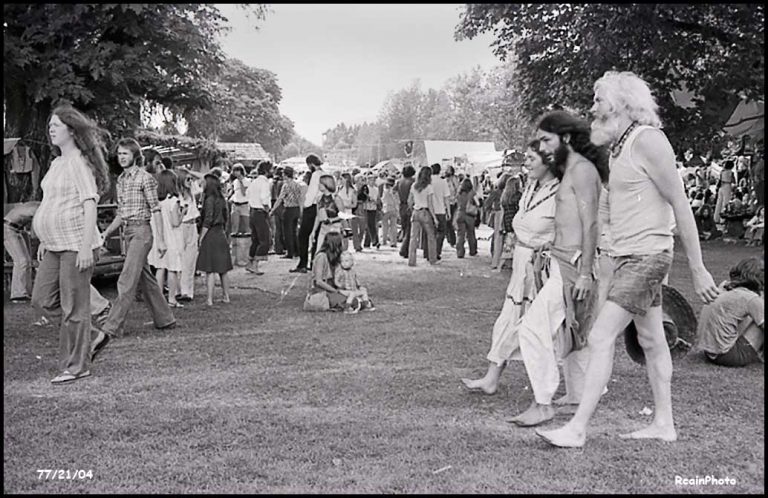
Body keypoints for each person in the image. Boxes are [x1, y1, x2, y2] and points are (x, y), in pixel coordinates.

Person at [537, 70, 720, 448]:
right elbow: (610, 212)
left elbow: (680, 203)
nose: (592, 107)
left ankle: (577, 428)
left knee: (602, 336)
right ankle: (663, 424)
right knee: (653, 340)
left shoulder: (648, 140)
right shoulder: (619, 148)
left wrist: (698, 268)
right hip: (627, 257)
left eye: (598, 99)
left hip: (647, 258)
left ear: (621, 105)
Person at [506, 111, 606, 427]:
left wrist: (587, 272)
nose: (544, 147)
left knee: (533, 328)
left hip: (574, 266)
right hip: (564, 261)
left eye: (547, 140)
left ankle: (543, 402)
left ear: (564, 138)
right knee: (573, 331)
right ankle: (576, 394)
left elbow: (591, 224)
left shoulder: (582, 170)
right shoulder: (573, 169)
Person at [462, 141, 560, 394]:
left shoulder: (562, 192)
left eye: (531, 158)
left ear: (548, 161)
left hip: (543, 269)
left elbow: (573, 232)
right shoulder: (529, 187)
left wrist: (548, 247)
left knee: (548, 329)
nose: (525, 163)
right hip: (521, 263)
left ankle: (576, 388)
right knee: (509, 319)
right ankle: (491, 378)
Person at [30, 104, 110, 383]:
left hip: (77, 243)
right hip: (54, 244)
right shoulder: (56, 163)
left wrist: (87, 246)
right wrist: (44, 238)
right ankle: (94, 336)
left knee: (73, 307)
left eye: (56, 125)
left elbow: (90, 204)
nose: (50, 129)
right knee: (42, 300)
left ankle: (77, 366)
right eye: (50, 125)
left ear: (72, 130)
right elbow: (52, 202)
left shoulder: (78, 162)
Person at [93, 138, 176, 361]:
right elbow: (121, 213)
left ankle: (111, 328)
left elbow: (156, 209)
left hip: (142, 232)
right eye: (119, 154)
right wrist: (105, 233)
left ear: (135, 156)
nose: (122, 157)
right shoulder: (120, 180)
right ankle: (165, 319)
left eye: (126, 154)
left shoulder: (145, 178)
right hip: (128, 232)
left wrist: (160, 241)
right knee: (144, 278)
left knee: (126, 279)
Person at [696, 257, 763, 367]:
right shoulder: (750, 298)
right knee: (761, 317)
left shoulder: (724, 287)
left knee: (756, 313)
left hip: (709, 352)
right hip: (728, 355)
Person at [147, 169, 186, 308]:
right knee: (173, 268)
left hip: (159, 237)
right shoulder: (173, 201)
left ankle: (159, 299)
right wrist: (183, 213)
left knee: (160, 268)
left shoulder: (156, 201)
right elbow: (175, 222)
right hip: (172, 238)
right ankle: (172, 298)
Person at [197, 174, 233, 306]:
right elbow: (226, 218)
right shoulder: (222, 199)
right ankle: (226, 296)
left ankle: (209, 299)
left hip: (211, 234)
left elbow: (208, 220)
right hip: (221, 233)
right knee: (223, 269)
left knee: (210, 269)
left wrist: (201, 237)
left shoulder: (209, 199)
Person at [292, 154, 324, 273]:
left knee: (303, 236)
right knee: (316, 236)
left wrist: (305, 206)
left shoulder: (315, 175)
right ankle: (313, 263)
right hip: (321, 206)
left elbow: (311, 193)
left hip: (312, 207)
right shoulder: (324, 173)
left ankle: (303, 263)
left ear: (310, 164)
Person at [174, 167, 201, 302]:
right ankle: (179, 289)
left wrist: (189, 172)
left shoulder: (192, 192)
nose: (190, 181)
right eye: (187, 179)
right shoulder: (176, 195)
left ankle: (187, 291)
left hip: (192, 225)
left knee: (190, 259)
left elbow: (203, 178)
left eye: (191, 179)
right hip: (181, 227)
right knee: (180, 258)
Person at [304, 232, 348, 312]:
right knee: (350, 301)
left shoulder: (335, 258)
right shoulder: (321, 257)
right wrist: (335, 291)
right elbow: (319, 281)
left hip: (332, 288)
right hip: (321, 291)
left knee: (354, 296)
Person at [408, 166, 439, 266]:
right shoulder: (429, 187)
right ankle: (432, 259)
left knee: (413, 238)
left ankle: (412, 260)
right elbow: (430, 204)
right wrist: (434, 217)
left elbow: (410, 200)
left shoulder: (414, 186)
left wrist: (412, 208)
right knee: (431, 237)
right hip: (425, 212)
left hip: (416, 211)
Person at [269, 166, 302, 259]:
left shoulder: (286, 185)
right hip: (296, 208)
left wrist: (273, 210)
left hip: (289, 209)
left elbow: (280, 199)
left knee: (287, 232)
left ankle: (290, 252)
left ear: (286, 175)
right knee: (294, 231)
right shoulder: (297, 184)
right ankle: (297, 251)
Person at [245, 160, 271, 275]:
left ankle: (249, 262)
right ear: (266, 171)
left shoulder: (254, 182)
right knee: (264, 239)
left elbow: (248, 195)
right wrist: (267, 210)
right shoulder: (264, 183)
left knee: (255, 239)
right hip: (260, 211)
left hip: (252, 211)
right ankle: (255, 264)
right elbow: (264, 199)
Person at [312, 175, 343, 257]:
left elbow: (342, 215)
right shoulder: (319, 198)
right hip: (323, 227)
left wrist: (332, 220)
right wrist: (314, 231)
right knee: (319, 252)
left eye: (320, 183)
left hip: (334, 227)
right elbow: (318, 216)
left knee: (334, 252)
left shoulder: (336, 198)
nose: (319, 185)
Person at [425, 164, 451, 260]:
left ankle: (428, 252)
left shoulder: (428, 182)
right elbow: (447, 198)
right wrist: (449, 212)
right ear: (439, 171)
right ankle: (436, 251)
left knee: (430, 232)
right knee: (441, 232)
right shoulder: (443, 182)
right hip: (440, 210)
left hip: (429, 210)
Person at [496, 175, 523, 270]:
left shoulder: (505, 196)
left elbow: (503, 212)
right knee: (515, 244)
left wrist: (501, 225)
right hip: (516, 221)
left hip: (507, 221)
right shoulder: (519, 196)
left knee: (508, 244)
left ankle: (501, 265)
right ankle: (512, 265)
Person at [454, 178, 479, 259]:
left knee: (460, 234)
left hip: (460, 214)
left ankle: (460, 252)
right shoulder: (472, 193)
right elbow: (478, 203)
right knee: (471, 234)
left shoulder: (459, 194)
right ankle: (472, 251)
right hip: (469, 215)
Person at [336, 172, 361, 252]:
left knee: (347, 232)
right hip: (339, 213)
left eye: (342, 179)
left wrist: (346, 206)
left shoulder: (352, 191)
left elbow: (355, 204)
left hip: (347, 213)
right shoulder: (339, 189)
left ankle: (346, 248)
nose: (340, 180)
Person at [396, 165, 417, 259]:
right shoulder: (412, 182)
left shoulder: (399, 181)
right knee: (409, 229)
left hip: (401, 205)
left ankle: (404, 248)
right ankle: (404, 249)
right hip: (409, 206)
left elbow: (394, 192)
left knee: (404, 228)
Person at [228, 163, 250, 235]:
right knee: (234, 226)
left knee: (246, 226)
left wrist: (241, 182)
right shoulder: (234, 182)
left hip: (244, 205)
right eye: (234, 171)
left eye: (237, 170)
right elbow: (233, 192)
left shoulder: (247, 181)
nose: (235, 172)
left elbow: (244, 193)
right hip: (235, 204)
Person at [714, 160, 735, 224]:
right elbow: (733, 181)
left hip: (721, 186)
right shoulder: (731, 172)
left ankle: (716, 218)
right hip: (727, 186)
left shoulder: (722, 171)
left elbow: (719, 180)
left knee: (719, 202)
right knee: (725, 202)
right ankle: (723, 219)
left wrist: (717, 187)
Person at [362, 174, 381, 249]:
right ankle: (374, 241)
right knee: (370, 226)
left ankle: (369, 242)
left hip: (373, 208)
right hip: (367, 208)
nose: (372, 181)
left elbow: (378, 198)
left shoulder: (376, 189)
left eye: (373, 180)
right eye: (370, 180)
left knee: (371, 225)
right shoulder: (366, 188)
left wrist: (376, 202)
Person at [380, 177, 400, 247]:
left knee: (385, 225)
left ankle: (384, 240)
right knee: (393, 226)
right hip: (394, 208)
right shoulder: (395, 191)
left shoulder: (385, 190)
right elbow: (397, 201)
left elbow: (383, 199)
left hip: (386, 208)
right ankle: (393, 241)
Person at [270, 166, 286, 255]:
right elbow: (281, 197)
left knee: (277, 228)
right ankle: (282, 247)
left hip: (273, 204)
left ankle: (278, 248)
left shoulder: (272, 183)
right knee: (282, 228)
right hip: (281, 205)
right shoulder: (282, 183)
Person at [444, 165, 460, 247]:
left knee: (449, 222)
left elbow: (457, 189)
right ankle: (450, 239)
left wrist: (454, 198)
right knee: (447, 222)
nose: (446, 171)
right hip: (446, 202)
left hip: (452, 202)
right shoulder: (445, 179)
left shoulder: (454, 179)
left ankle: (452, 240)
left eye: (448, 170)